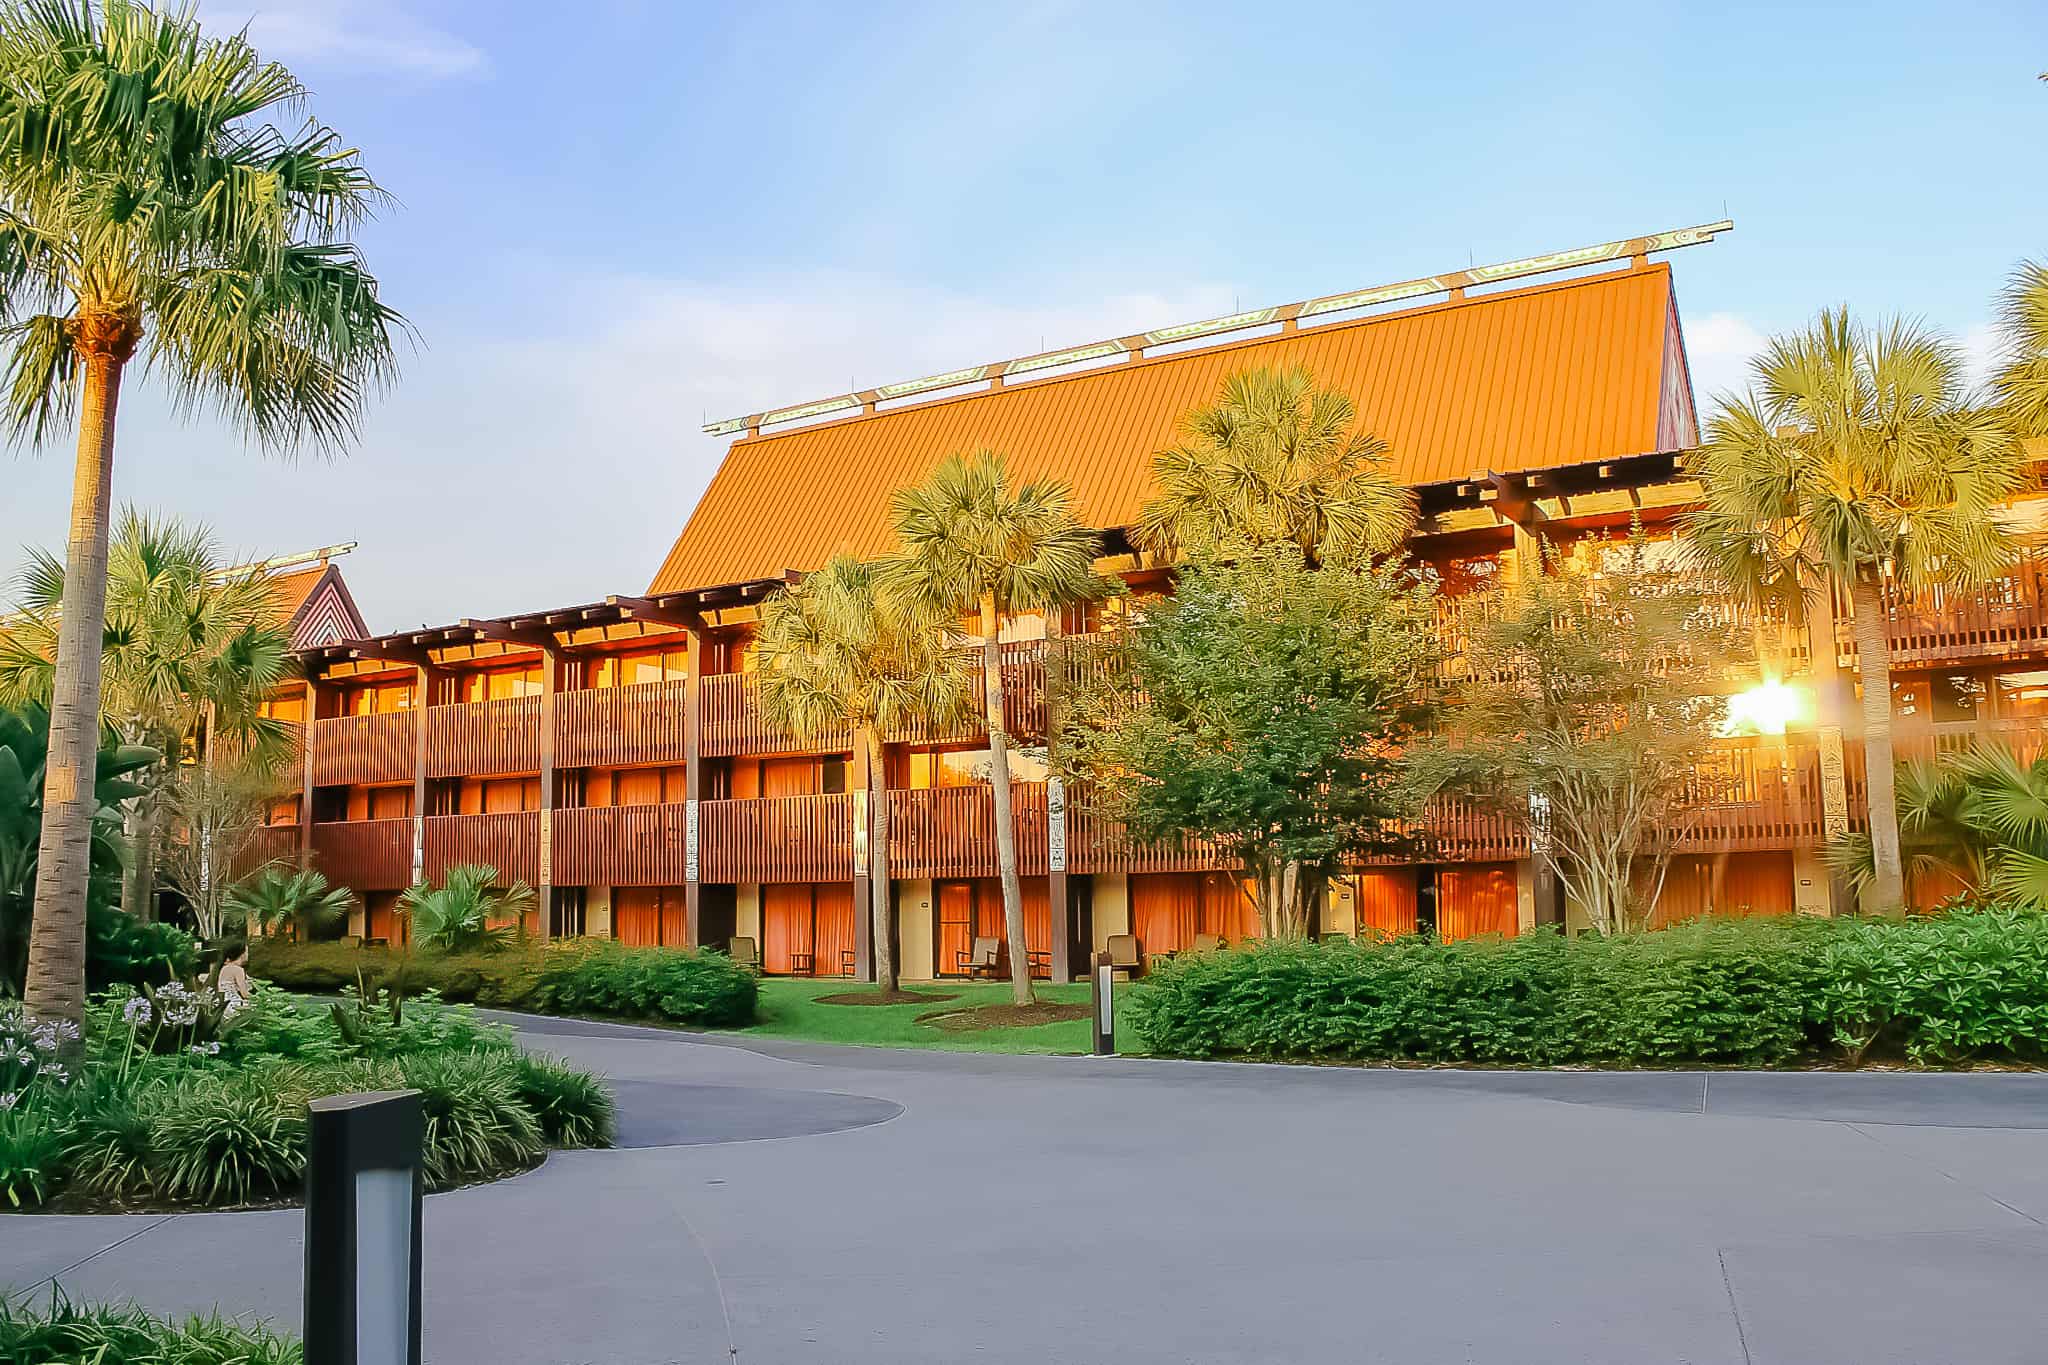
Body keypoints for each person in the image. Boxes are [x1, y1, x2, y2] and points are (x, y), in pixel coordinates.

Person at [216, 941, 254, 1007]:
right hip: (234, 1004)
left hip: (223, 1004)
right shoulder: (238, 970)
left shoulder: (224, 968)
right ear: (242, 954)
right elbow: (244, 994)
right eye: (247, 952)